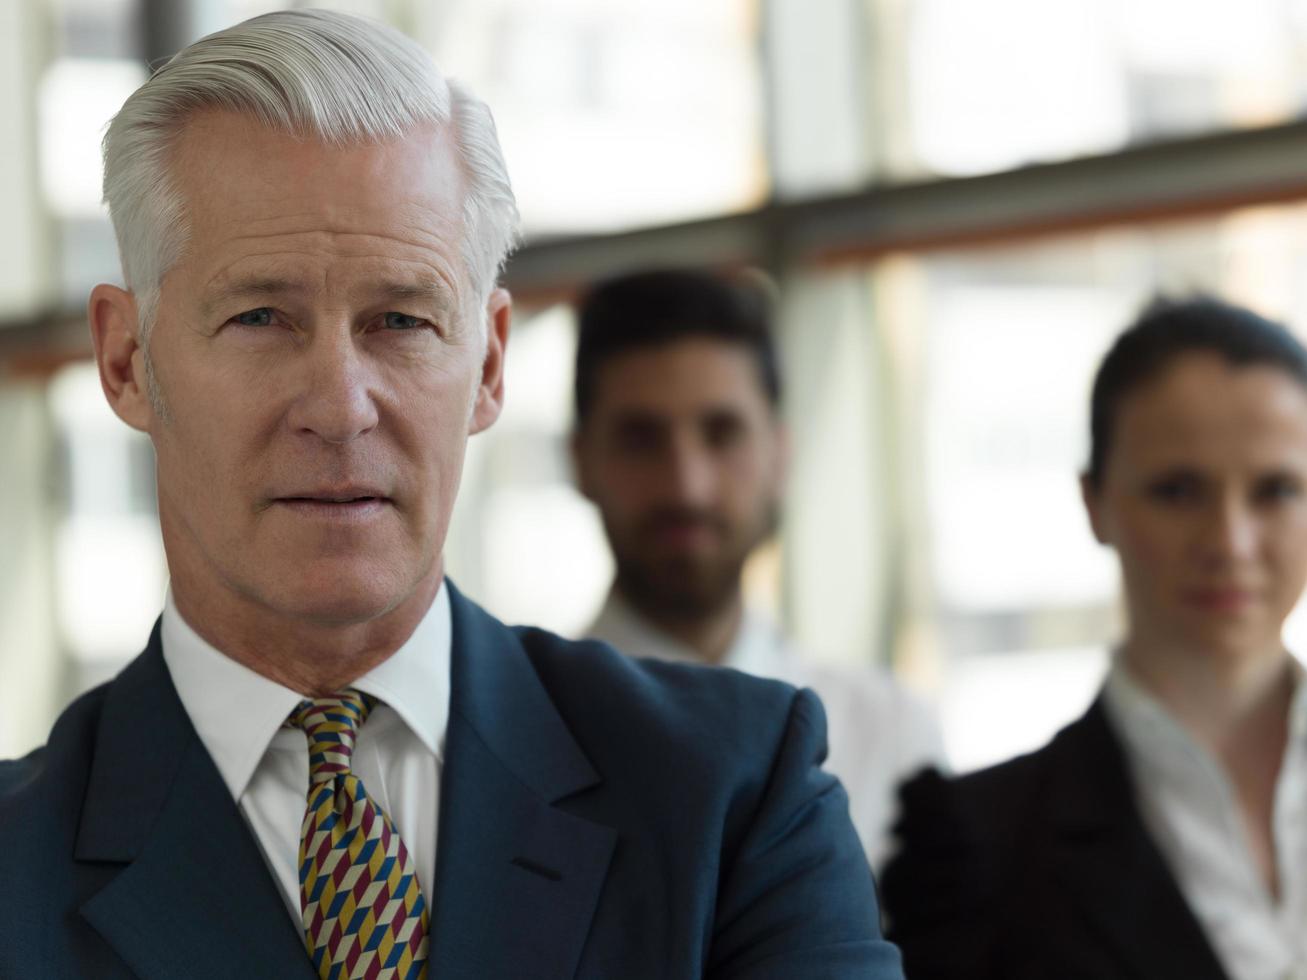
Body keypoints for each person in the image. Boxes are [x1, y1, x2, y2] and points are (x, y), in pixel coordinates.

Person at [0, 12, 904, 979]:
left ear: (487, 366)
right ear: (126, 360)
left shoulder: (734, 794)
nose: (341, 409)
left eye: (400, 318)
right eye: (260, 316)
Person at [882, 296, 1307, 980]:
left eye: (1275, 490)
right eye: (1177, 490)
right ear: (1095, 503)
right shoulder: (971, 846)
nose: (1229, 542)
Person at [572, 267, 946, 870]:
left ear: (780, 454)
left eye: (722, 433)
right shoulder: (504, 742)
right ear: (580, 460)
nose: (686, 486)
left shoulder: (892, 736)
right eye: (641, 438)